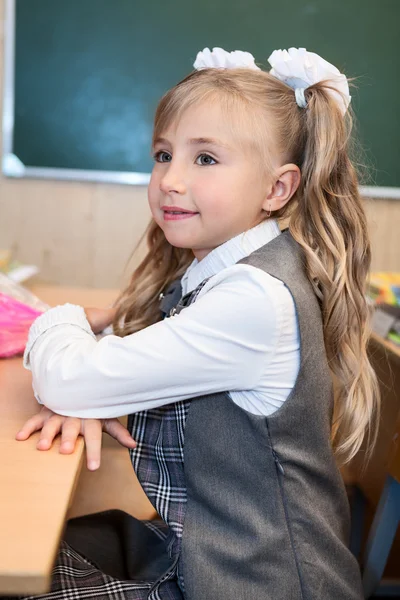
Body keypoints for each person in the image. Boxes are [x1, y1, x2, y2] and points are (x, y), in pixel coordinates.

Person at [14, 46, 379, 600]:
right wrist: (83, 387)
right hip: (209, 554)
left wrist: (60, 321)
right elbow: (91, 376)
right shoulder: (228, 273)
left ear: (277, 189)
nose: (170, 180)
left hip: (258, 584)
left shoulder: (254, 299)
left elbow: (70, 378)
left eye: (205, 159)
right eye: (163, 155)